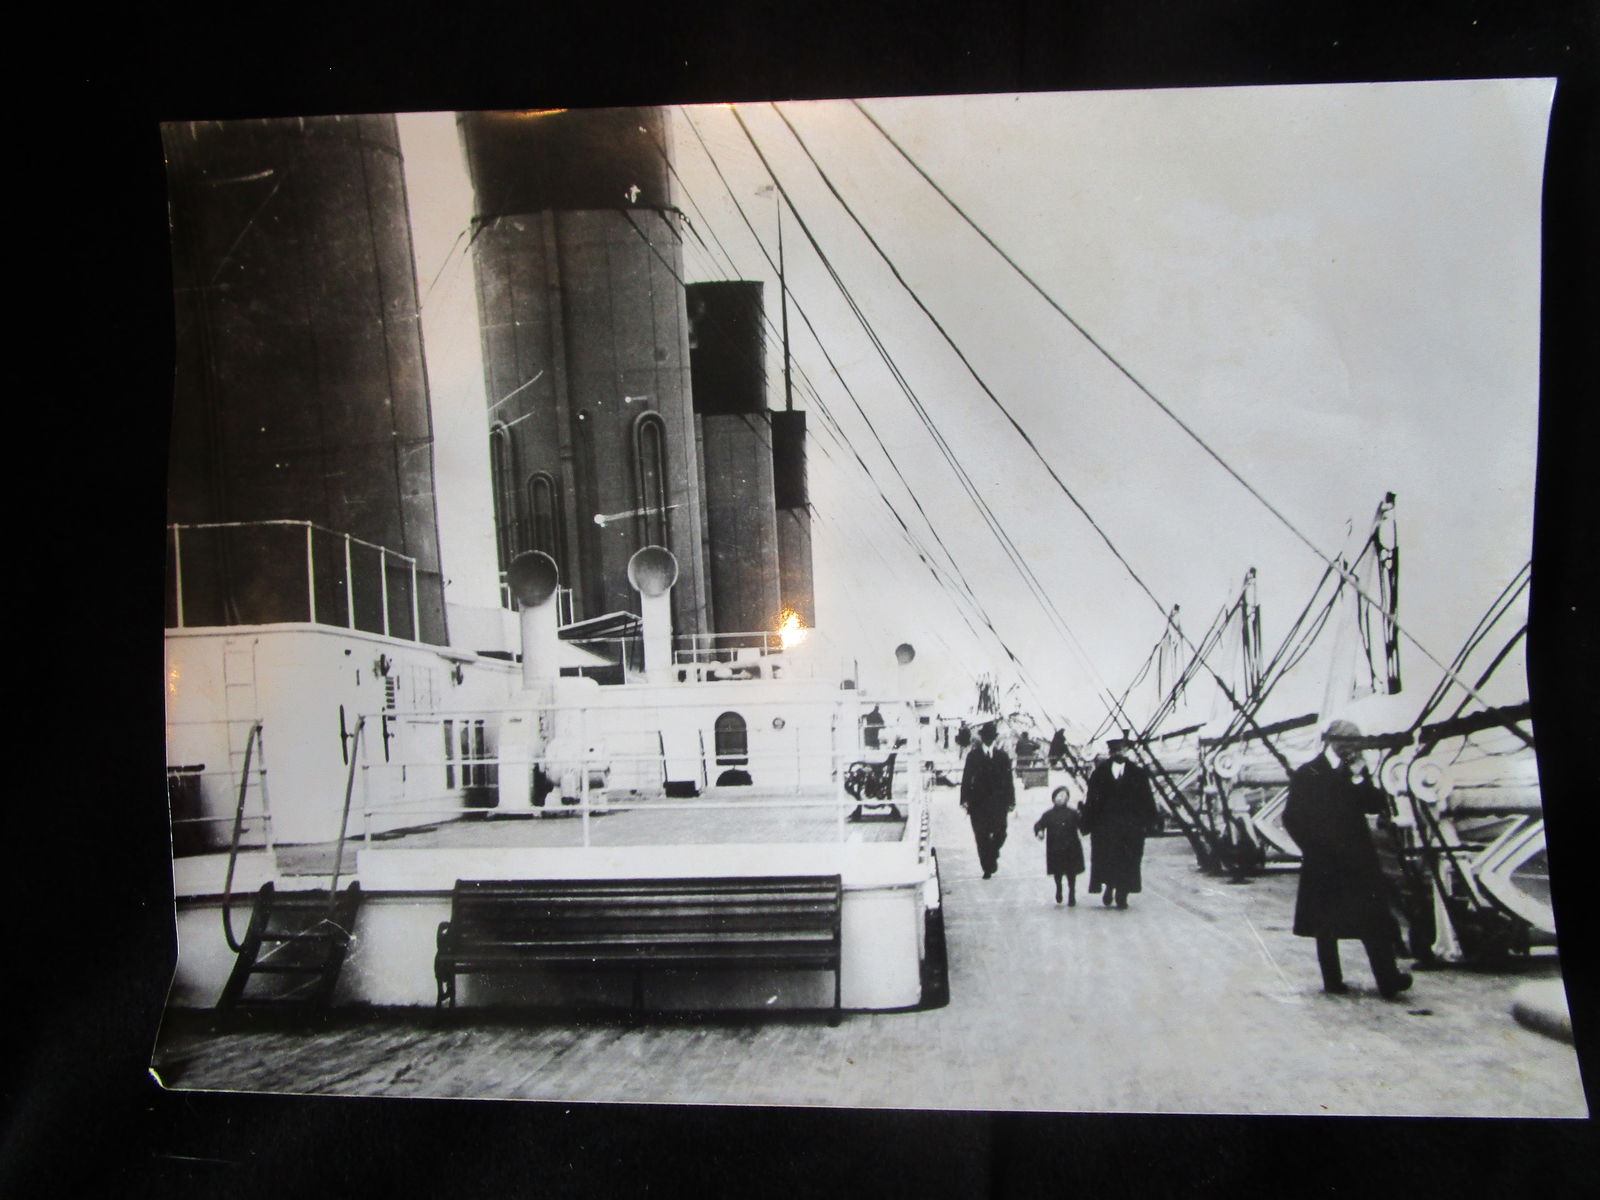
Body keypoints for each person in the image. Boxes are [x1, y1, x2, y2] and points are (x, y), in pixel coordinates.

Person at [1282, 719, 1413, 999]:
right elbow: (1291, 818)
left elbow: (1373, 804)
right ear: (1334, 740)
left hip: (1357, 860)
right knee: (1325, 924)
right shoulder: (1309, 773)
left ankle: (1388, 981)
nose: (1355, 747)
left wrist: (1359, 777)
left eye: (1357, 742)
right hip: (1324, 861)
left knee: (1374, 917)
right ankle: (1332, 980)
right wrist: (1313, 850)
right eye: (1351, 742)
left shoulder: (1354, 771)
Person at [1080, 737, 1157, 908]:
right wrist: (1086, 822)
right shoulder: (1099, 773)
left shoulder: (1137, 773)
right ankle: (1109, 887)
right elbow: (1091, 799)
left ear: (1126, 751)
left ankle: (1123, 893)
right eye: (1114, 751)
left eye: (1121, 750)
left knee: (1129, 860)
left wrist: (1151, 821)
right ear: (1110, 752)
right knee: (1107, 859)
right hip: (1105, 827)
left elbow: (1147, 799)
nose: (1118, 753)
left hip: (1131, 827)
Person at [960, 721, 1015, 879]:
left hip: (999, 803)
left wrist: (1011, 800)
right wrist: (964, 799)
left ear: (995, 738)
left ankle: (992, 853)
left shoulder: (1002, 757)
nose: (989, 739)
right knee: (981, 836)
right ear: (983, 738)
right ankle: (987, 867)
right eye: (986, 737)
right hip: (978, 803)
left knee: (1001, 833)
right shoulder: (973, 756)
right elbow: (966, 778)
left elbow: (1008, 779)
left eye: (991, 737)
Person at [1033, 786, 1085, 905]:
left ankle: (1072, 893)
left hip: (1071, 848)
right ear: (1054, 798)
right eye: (1059, 796)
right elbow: (1039, 824)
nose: (1062, 798)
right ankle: (1059, 889)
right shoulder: (1048, 814)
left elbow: (1082, 825)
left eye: (1065, 796)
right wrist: (1039, 832)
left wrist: (1083, 814)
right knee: (1057, 872)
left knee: (1071, 872)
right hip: (1055, 848)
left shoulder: (1073, 813)